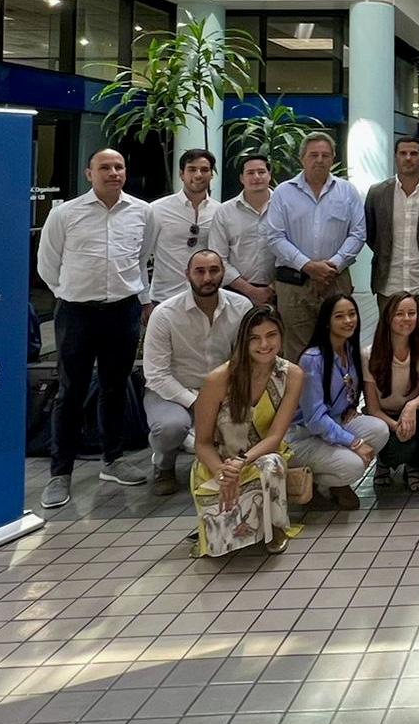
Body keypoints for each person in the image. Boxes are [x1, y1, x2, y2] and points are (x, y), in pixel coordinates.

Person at [35, 148, 153, 509]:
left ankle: (113, 459)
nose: (113, 172)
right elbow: (47, 264)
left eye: (119, 166)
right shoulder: (66, 213)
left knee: (115, 388)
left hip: (123, 311)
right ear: (89, 173)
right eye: (105, 167)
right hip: (76, 313)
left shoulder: (142, 212)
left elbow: (141, 257)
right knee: (70, 393)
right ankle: (60, 473)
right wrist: (70, 294)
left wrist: (140, 298)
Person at [191, 305, 303, 557]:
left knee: (272, 463)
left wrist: (240, 463)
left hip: (259, 461)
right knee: (220, 546)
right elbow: (202, 443)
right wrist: (223, 470)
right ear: (244, 341)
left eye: (271, 335)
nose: (264, 344)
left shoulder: (292, 375)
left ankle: (275, 527)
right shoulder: (218, 379)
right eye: (255, 338)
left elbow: (275, 437)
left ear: (281, 335)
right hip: (217, 464)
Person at [143, 248, 252, 497]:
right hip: (172, 391)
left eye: (214, 271)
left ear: (223, 273)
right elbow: (156, 374)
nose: (207, 278)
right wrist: (197, 403)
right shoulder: (165, 314)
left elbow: (245, 358)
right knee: (171, 427)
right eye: (199, 271)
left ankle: (232, 466)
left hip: (223, 389)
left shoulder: (241, 306)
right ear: (187, 275)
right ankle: (163, 465)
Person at [267, 132, 366, 360]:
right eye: (313, 155)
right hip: (294, 283)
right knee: (297, 350)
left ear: (333, 159)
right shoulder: (283, 192)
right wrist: (308, 266)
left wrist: (332, 266)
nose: (319, 160)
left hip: (336, 279)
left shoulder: (347, 191)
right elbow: (274, 236)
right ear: (302, 158)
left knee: (339, 345)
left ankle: (339, 394)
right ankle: (299, 396)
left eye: (325, 155)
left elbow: (358, 233)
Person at [292, 293, 392, 508]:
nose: (348, 321)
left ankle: (335, 481)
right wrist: (353, 443)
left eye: (352, 314)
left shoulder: (349, 349)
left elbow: (349, 391)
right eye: (339, 316)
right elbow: (315, 419)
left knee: (379, 430)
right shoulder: (312, 359)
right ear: (327, 322)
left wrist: (351, 407)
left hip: (335, 420)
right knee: (354, 465)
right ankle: (315, 481)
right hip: (304, 435)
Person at [365, 135, 419, 332]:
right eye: (403, 153)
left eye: (413, 153)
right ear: (395, 157)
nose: (408, 158)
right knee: (388, 343)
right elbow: (371, 233)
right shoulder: (377, 193)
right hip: (389, 283)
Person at [360, 292, 419, 491]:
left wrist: (411, 407)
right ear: (388, 317)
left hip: (412, 414)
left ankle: (413, 467)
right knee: (396, 453)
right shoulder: (369, 354)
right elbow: (371, 407)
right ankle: (383, 461)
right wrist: (396, 427)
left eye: (411, 313)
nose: (406, 319)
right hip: (384, 418)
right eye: (399, 314)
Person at [146, 149, 221, 303]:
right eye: (192, 169)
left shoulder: (220, 211)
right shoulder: (157, 209)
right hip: (164, 297)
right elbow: (142, 256)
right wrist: (144, 299)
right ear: (181, 174)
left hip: (206, 297)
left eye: (205, 170)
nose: (198, 175)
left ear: (212, 174)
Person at [212, 153, 276, 310]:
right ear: (241, 178)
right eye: (250, 173)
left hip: (278, 291)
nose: (256, 177)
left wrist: (273, 288)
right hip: (235, 292)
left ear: (269, 175)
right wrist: (250, 291)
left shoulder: (284, 208)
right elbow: (218, 258)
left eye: (261, 172)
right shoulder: (224, 212)